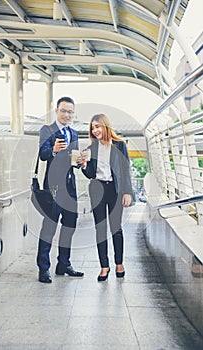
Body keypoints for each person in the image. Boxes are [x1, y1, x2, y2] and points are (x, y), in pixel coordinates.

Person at [37, 96, 84, 283]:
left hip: (70, 188)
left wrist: (79, 162)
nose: (67, 115)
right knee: (49, 228)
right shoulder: (47, 130)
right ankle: (43, 268)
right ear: (56, 111)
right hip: (53, 188)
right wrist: (54, 150)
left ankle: (63, 263)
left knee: (69, 226)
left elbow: (73, 160)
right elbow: (43, 155)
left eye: (70, 112)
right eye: (64, 111)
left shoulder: (73, 133)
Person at [81, 113, 133, 282]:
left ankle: (119, 263)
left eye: (98, 126)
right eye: (93, 128)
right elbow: (90, 174)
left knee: (116, 228)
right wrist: (84, 165)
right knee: (100, 229)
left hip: (115, 190)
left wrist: (127, 192)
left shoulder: (119, 145)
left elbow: (125, 171)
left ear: (105, 125)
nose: (95, 130)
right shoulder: (90, 149)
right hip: (97, 188)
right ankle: (104, 266)